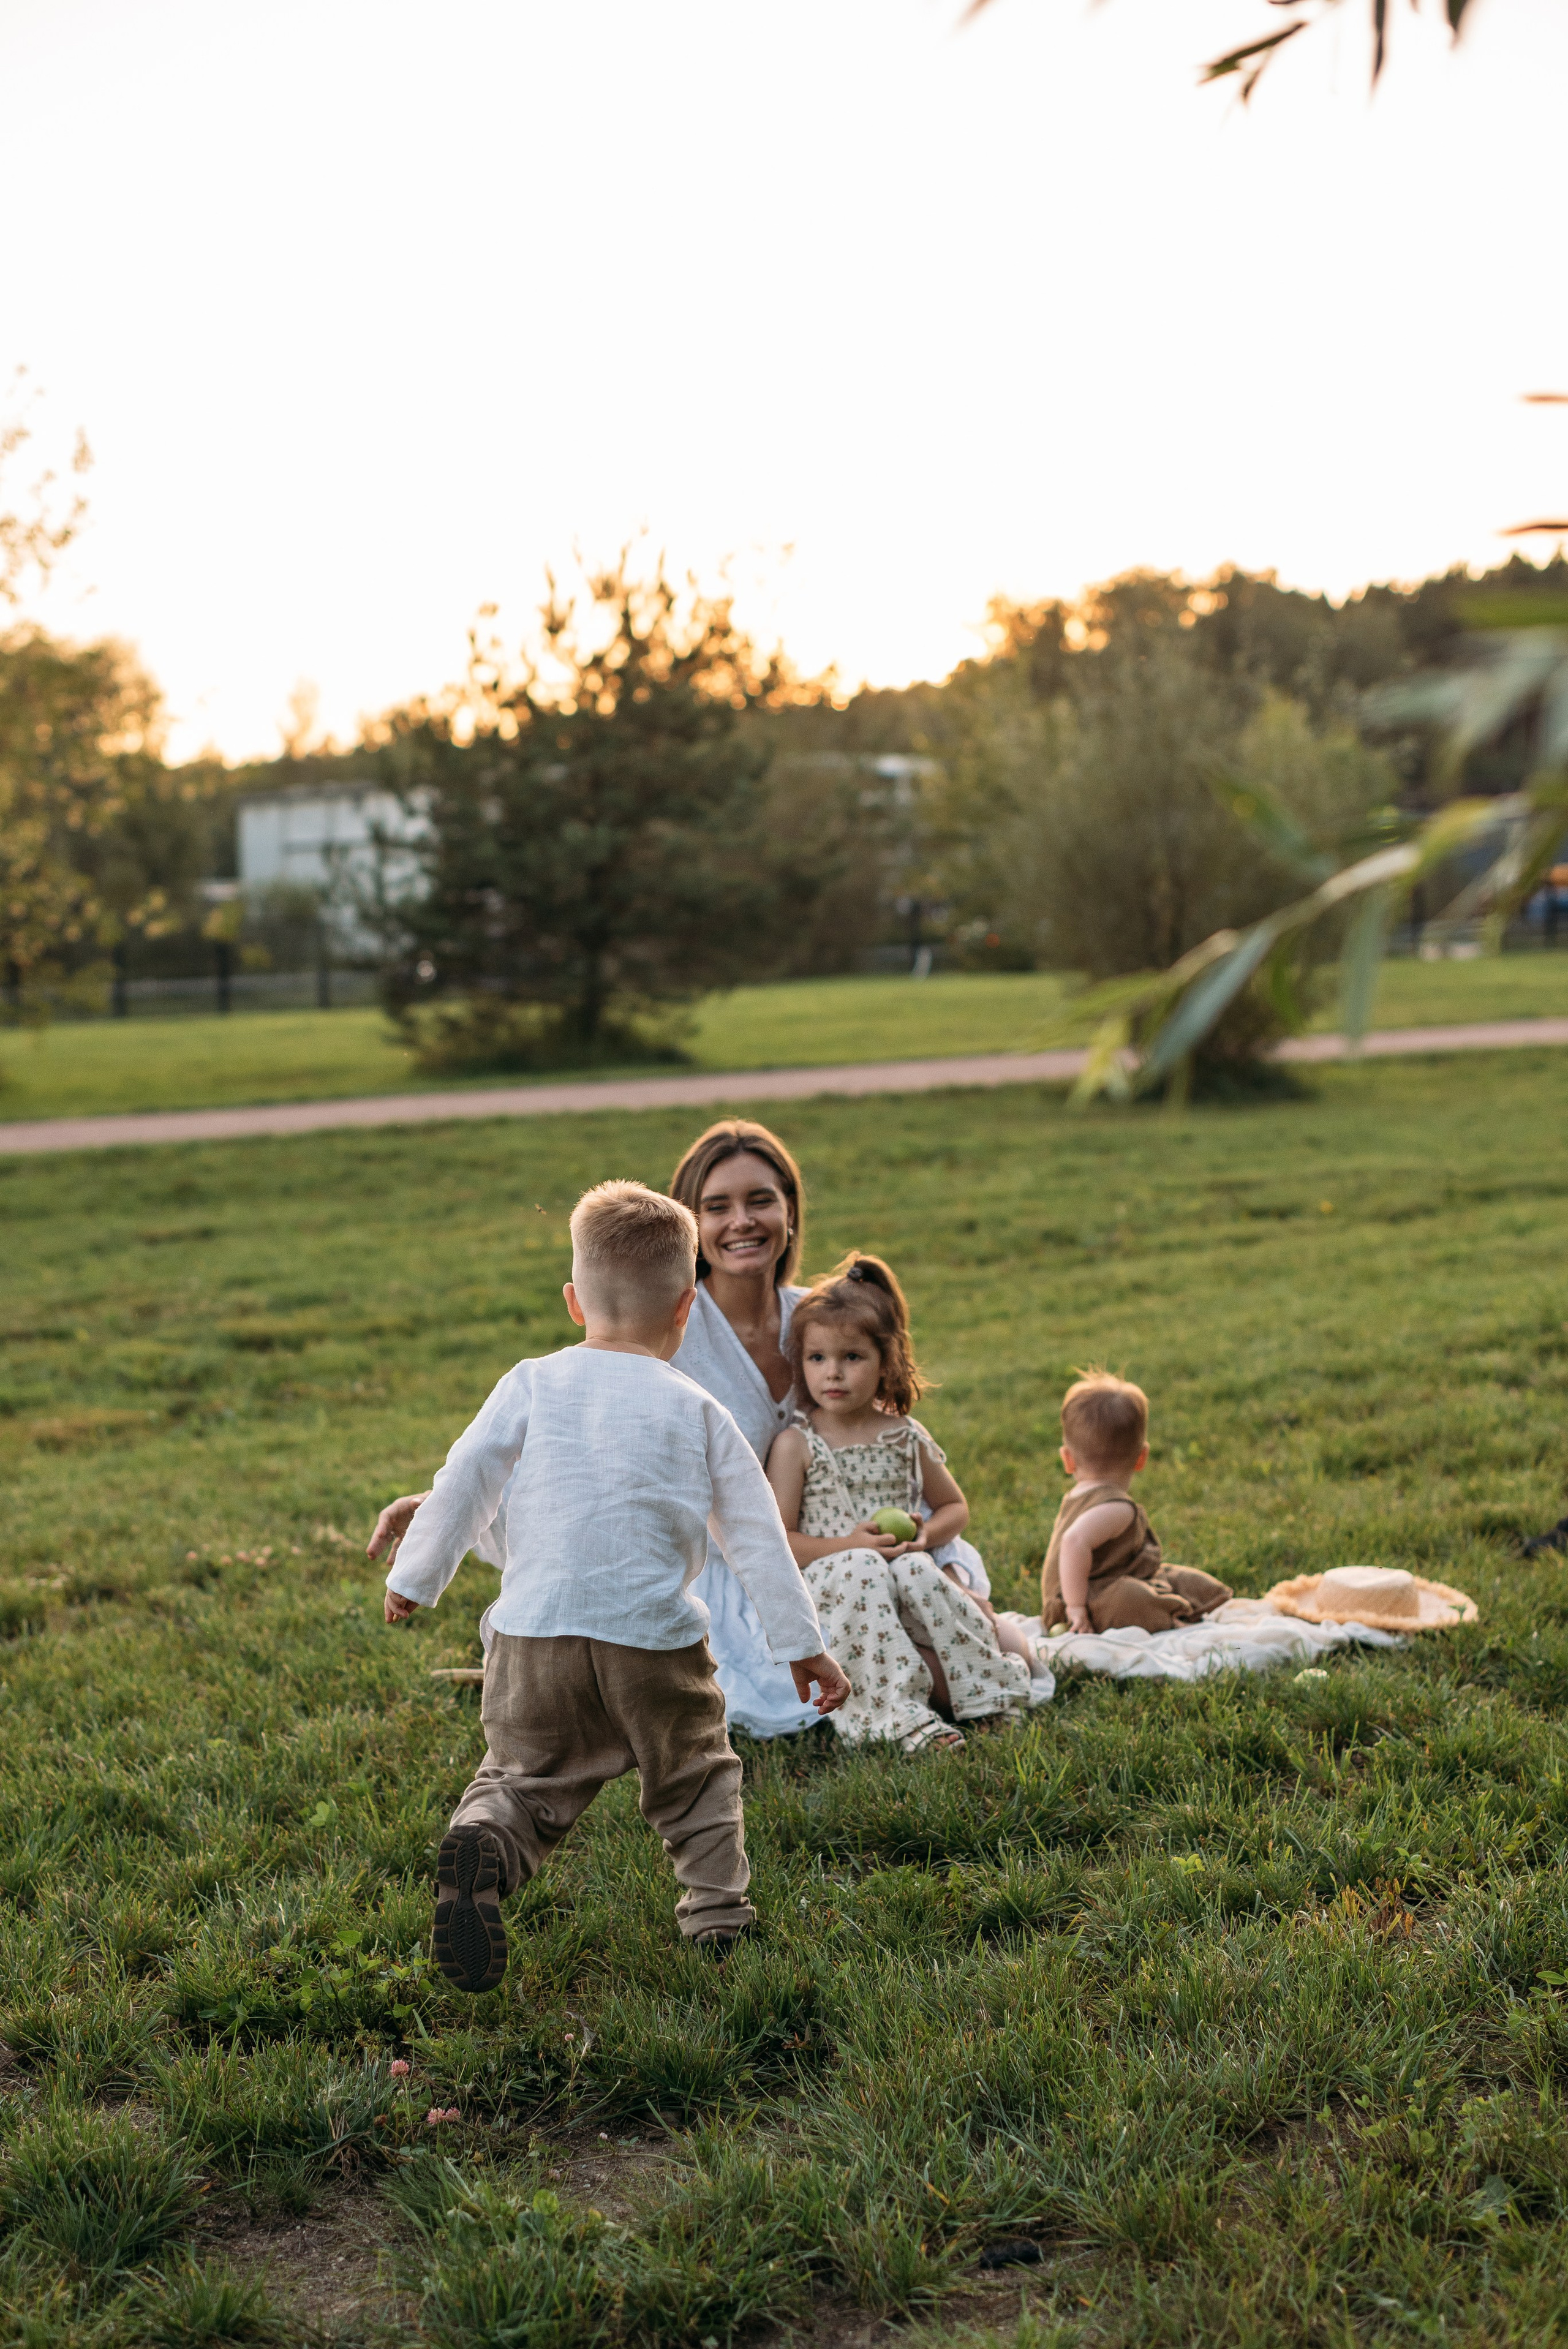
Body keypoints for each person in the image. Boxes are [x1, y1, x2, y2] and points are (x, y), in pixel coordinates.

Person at [381, 1180, 848, 1989]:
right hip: (654, 1642)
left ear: (573, 1300)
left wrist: (415, 1575)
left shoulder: (530, 1381)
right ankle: (717, 1916)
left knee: (523, 1776)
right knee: (696, 1773)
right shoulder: (700, 1407)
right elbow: (757, 1539)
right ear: (684, 1308)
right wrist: (802, 1647)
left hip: (534, 1635)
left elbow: (465, 1482)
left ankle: (487, 1843)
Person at [766, 1254, 1035, 1752]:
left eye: (852, 1357)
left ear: (885, 1360)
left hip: (902, 1566)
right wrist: (849, 1543)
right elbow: (780, 1540)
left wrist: (926, 1536)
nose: (834, 1373)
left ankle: (991, 1693)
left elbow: (953, 1506)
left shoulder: (904, 1436)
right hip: (838, 1580)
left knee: (918, 1571)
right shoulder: (797, 1445)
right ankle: (898, 1718)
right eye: (818, 1357)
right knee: (865, 1565)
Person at [1040, 1372, 1231, 1636]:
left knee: (1175, 1577)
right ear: (1142, 1458)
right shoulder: (1117, 1508)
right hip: (1087, 1604)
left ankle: (1199, 1600)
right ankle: (1174, 1616)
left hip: (1102, 1586)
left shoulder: (1078, 1496)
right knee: (1132, 1598)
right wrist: (1075, 1608)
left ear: (1068, 1459)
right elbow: (1074, 1542)